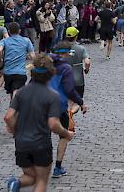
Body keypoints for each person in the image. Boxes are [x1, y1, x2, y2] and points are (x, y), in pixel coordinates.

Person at [4, 55, 74, 192]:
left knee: (31, 176)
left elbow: (8, 117)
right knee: (41, 181)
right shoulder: (52, 96)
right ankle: (16, 184)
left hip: (22, 143)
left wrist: (15, 131)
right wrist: (66, 133)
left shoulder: (21, 92)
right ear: (51, 74)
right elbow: (53, 124)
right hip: (41, 143)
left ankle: (16, 184)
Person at [49, 41, 88, 178]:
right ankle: (58, 167)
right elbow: (69, 90)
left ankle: (43, 163)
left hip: (41, 104)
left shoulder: (44, 63)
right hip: (58, 105)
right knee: (65, 135)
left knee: (44, 135)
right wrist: (81, 102)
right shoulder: (65, 67)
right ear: (65, 53)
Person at [0, 22, 35, 101]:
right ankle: (14, 107)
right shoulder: (26, 40)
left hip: (8, 73)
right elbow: (33, 56)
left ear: (9, 31)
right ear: (19, 31)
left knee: (12, 92)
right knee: (16, 92)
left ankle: (13, 108)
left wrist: (0, 60)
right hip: (20, 72)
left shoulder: (4, 41)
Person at [64, 27, 90, 101]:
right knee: (77, 102)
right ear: (76, 36)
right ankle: (71, 112)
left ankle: (68, 111)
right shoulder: (81, 48)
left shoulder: (61, 48)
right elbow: (87, 62)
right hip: (78, 80)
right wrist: (86, 70)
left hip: (64, 79)